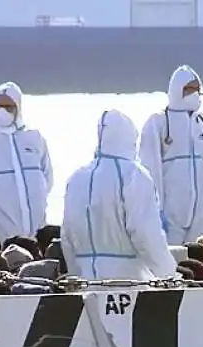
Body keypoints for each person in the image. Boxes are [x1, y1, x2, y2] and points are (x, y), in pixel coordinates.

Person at [61, 109, 177, 281]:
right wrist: (169, 274)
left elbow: (67, 235)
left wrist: (75, 275)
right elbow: (145, 233)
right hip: (127, 280)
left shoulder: (77, 178)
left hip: (86, 280)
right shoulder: (134, 175)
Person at [139, 65, 203, 245]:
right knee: (173, 263)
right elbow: (150, 169)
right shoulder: (158, 123)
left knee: (202, 261)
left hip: (201, 212)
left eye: (198, 90)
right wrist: (155, 209)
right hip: (171, 212)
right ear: (177, 90)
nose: (195, 95)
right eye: (190, 90)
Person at [0, 82, 54, 241]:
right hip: (2, 234)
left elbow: (47, 177)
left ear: (18, 107)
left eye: (8, 107)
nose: (2, 111)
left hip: (36, 231)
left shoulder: (34, 138)